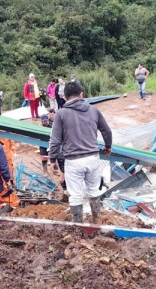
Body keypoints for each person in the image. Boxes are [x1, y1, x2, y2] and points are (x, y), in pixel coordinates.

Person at [49, 81, 112, 223]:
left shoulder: (61, 113)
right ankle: (97, 221)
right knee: (94, 191)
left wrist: (52, 159)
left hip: (73, 160)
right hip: (92, 158)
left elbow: (55, 140)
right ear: (82, 94)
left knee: (76, 195)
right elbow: (106, 131)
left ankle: (78, 226)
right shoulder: (93, 110)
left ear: (64, 98)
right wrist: (108, 147)